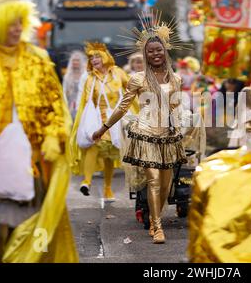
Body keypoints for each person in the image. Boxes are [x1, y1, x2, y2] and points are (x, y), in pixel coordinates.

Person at [0, 0, 77, 263]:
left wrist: (54, 136)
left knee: (30, 231)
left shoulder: (38, 60)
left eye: (20, 21)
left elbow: (55, 106)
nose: (17, 29)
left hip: (33, 163)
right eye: (10, 22)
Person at [92, 20, 187, 244]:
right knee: (153, 181)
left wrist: (182, 122)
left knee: (165, 185)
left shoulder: (177, 79)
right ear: (145, 55)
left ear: (165, 51)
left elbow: (176, 106)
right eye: (151, 51)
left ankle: (157, 217)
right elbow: (123, 107)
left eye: (159, 50)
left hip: (169, 134)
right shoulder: (137, 78)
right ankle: (157, 226)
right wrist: (103, 127)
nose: (155, 54)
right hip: (145, 133)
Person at [70, 42, 138, 201]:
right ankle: (86, 181)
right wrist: (83, 121)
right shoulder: (89, 78)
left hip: (116, 118)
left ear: (105, 57)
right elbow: (85, 101)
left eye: (97, 56)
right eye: (91, 58)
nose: (94, 60)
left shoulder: (118, 73)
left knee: (110, 155)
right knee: (94, 146)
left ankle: (108, 188)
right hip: (98, 119)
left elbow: (132, 90)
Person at [63, 50, 87, 119]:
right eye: (74, 60)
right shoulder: (67, 76)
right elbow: (64, 91)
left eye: (77, 60)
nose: (75, 62)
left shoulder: (85, 75)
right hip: (70, 104)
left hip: (83, 103)